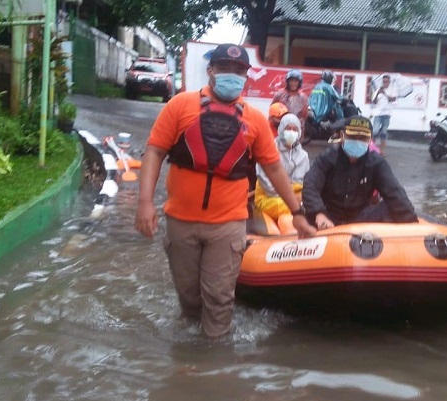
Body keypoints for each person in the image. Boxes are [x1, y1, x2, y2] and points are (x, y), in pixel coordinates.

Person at [135, 43, 316, 338]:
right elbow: (154, 152)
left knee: (218, 302)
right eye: (224, 69)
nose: (231, 75)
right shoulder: (180, 106)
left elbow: (273, 169)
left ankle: (214, 367)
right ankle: (188, 363)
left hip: (227, 225)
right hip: (181, 221)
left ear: (246, 76)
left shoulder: (255, 119)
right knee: (189, 299)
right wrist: (144, 203)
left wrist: (297, 213)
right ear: (211, 71)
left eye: (239, 71)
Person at [302, 116, 418, 229]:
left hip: (361, 218)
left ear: (369, 140)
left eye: (362, 138)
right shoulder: (328, 158)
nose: (357, 141)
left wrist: (413, 224)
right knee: (302, 215)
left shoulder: (376, 163)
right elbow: (310, 185)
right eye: (352, 137)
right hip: (328, 216)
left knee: (390, 208)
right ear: (343, 136)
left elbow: (394, 192)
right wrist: (319, 213)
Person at [255, 114, 309, 235]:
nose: (291, 132)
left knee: (299, 207)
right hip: (268, 197)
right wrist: (289, 197)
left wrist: (299, 198)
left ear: (299, 132)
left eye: (295, 129)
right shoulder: (268, 149)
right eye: (288, 129)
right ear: (281, 129)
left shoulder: (303, 156)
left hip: (296, 198)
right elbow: (266, 182)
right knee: (289, 207)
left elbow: (305, 182)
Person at [371, 74, 397, 155]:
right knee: (375, 131)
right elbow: (374, 101)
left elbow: (393, 99)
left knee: (383, 133)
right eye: (383, 81)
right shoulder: (378, 90)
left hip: (387, 114)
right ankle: (372, 149)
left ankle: (381, 151)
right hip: (378, 114)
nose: (385, 83)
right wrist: (378, 93)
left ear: (389, 82)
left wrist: (384, 93)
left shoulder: (392, 90)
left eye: (386, 81)